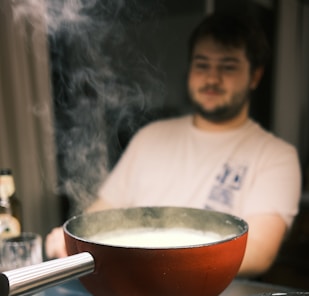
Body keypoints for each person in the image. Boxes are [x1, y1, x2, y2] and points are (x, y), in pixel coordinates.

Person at [45, 12, 301, 277]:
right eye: (202, 65)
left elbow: (258, 251)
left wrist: (156, 257)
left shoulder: (276, 156)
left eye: (228, 67)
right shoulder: (151, 136)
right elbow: (103, 215)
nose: (212, 79)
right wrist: (73, 242)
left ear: (255, 76)